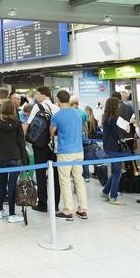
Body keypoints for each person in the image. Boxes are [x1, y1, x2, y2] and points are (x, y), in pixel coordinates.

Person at [50, 90, 89, 220]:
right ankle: (83, 210)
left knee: (65, 180)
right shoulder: (78, 113)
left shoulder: (57, 115)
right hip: (79, 151)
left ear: (58, 100)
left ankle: (68, 211)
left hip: (65, 152)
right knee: (79, 179)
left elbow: (52, 132)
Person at [0, 99, 27, 223]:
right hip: (15, 157)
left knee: (2, 184)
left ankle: (0, 210)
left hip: (1, 157)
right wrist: (24, 159)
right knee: (12, 185)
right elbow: (21, 142)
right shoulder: (17, 122)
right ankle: (12, 213)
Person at [23, 86, 59, 212]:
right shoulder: (56, 107)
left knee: (40, 174)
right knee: (55, 175)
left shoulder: (38, 107)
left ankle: (43, 204)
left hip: (40, 145)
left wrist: (24, 141)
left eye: (37, 95)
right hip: (53, 145)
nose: (36, 97)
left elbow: (28, 123)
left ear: (43, 95)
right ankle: (56, 204)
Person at [100, 97, 128, 206]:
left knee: (116, 171)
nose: (120, 107)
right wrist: (125, 130)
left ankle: (105, 191)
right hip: (115, 148)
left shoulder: (106, 118)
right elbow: (117, 134)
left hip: (109, 147)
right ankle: (113, 197)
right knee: (117, 172)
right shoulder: (114, 119)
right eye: (118, 105)